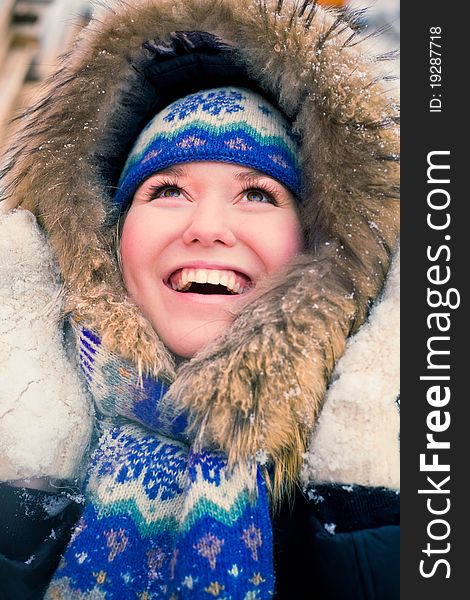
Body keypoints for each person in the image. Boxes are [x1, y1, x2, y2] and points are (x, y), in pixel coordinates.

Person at [0, 0, 400, 598]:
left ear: (320, 245)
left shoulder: (396, 480)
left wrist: (370, 508)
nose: (207, 226)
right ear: (105, 236)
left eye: (259, 194)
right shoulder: (23, 456)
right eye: (166, 189)